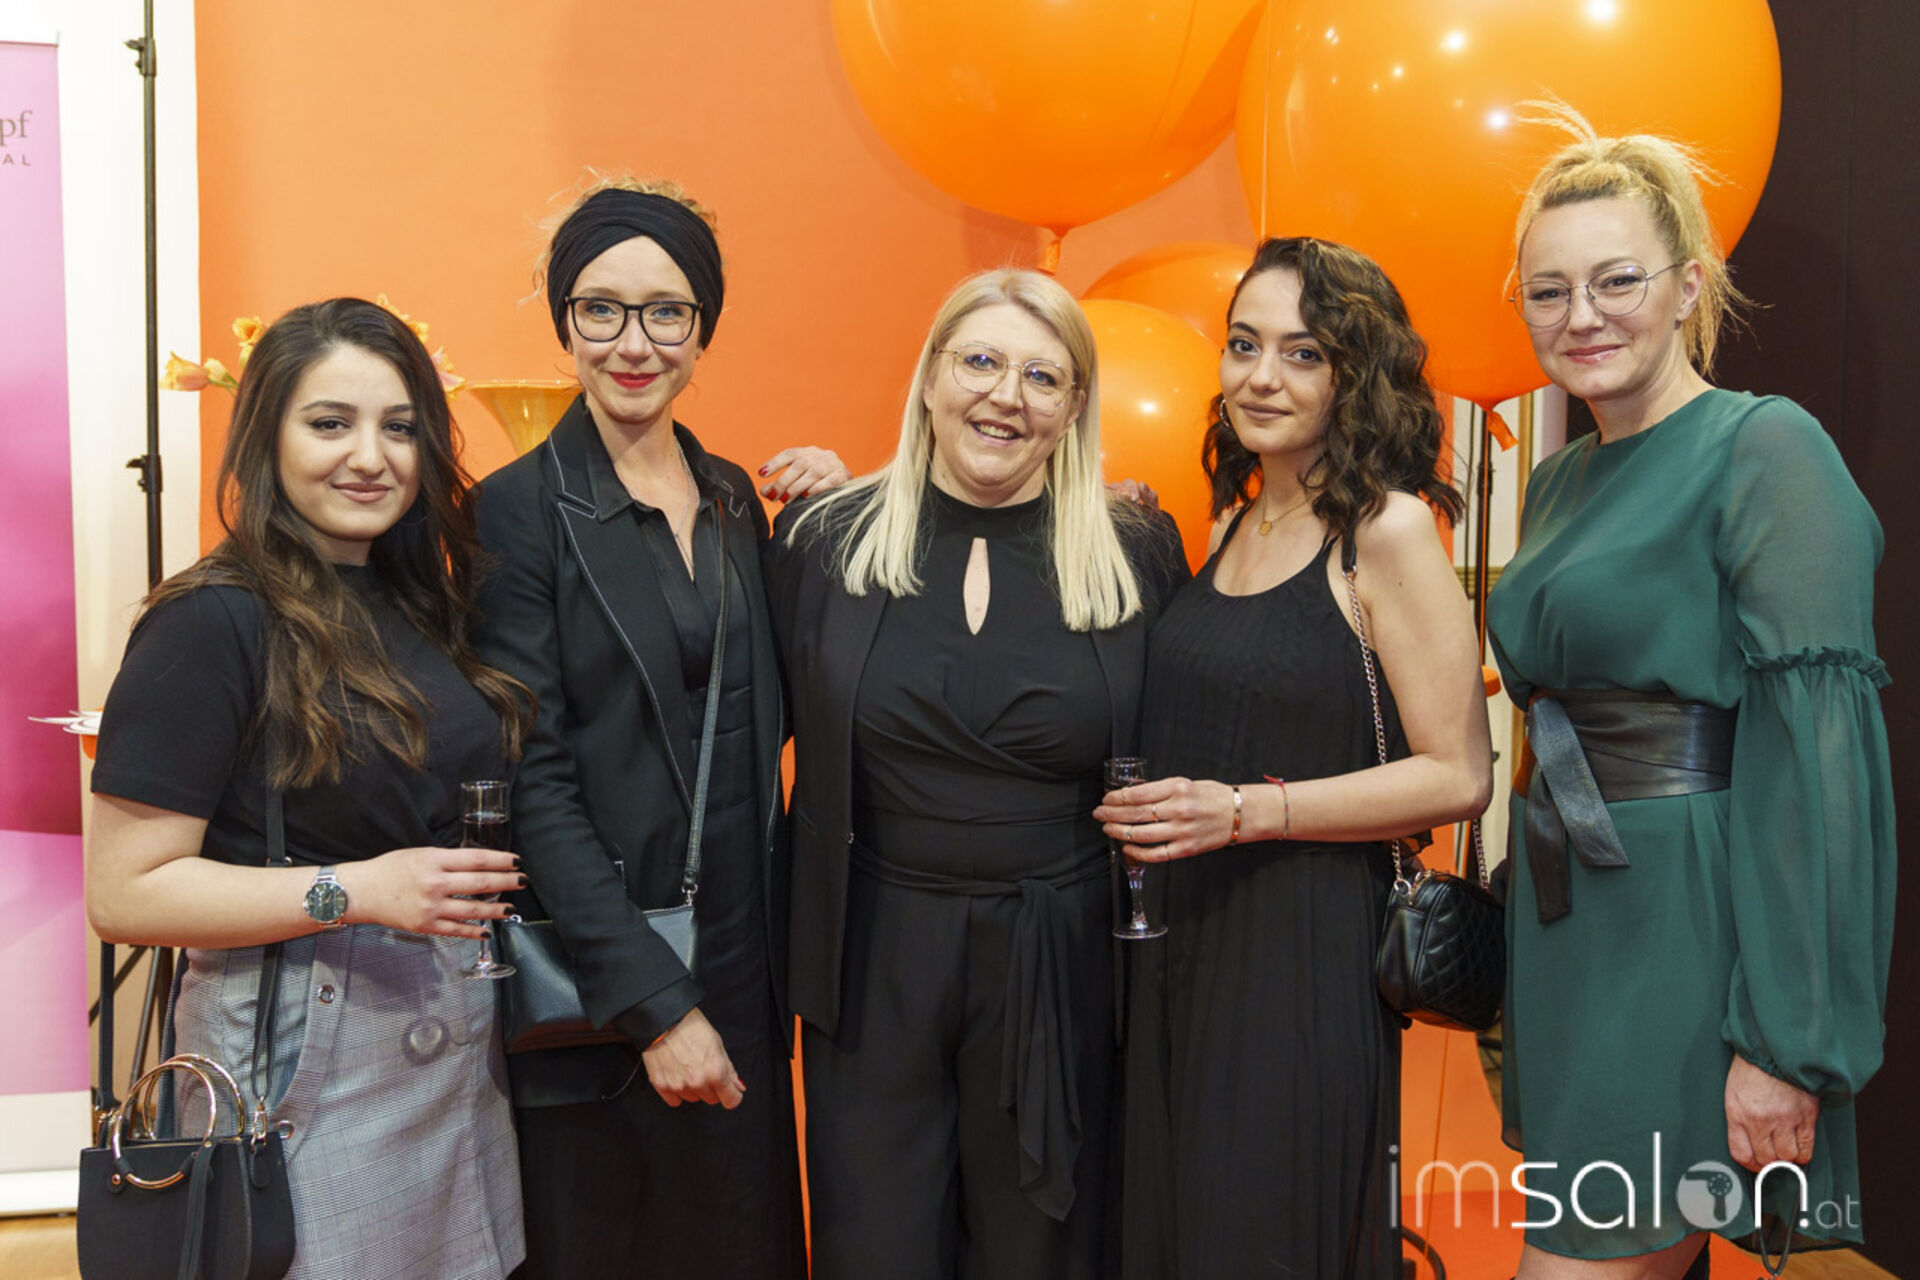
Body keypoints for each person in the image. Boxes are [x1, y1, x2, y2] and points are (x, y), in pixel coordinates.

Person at [1485, 110, 1895, 1278]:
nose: (1582, 314)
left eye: (1617, 279)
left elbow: (1819, 764)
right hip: (1577, 919)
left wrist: (1782, 1042)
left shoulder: (1766, 448)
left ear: (1689, 286)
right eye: (1549, 290)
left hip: (1689, 930)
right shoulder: (1559, 479)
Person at [86, 297, 533, 1279]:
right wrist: (358, 889)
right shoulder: (210, 622)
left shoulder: (418, 600)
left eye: (400, 427)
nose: (370, 456)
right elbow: (124, 892)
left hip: (452, 1047)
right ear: (267, 436)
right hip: (302, 1055)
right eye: (330, 423)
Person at [768, 267, 1190, 1279]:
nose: (1007, 395)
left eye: (1043, 376)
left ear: (1075, 406)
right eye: (982, 362)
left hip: (1061, 958)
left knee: (1041, 1251)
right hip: (870, 956)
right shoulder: (823, 538)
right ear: (929, 377)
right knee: (874, 1249)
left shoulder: (1135, 548)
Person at [1094, 236, 1494, 1278]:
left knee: (1265, 1233)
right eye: (1243, 344)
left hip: (1302, 954)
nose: (1260, 377)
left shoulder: (1387, 530)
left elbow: (1460, 773)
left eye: (1303, 353)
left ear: (1357, 375)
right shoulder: (1233, 519)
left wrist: (1246, 811)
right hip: (1180, 942)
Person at [469, 178, 842, 1279]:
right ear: (565, 322)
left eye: (666, 312)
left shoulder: (731, 496)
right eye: (602, 309)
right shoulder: (516, 509)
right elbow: (531, 779)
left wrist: (838, 510)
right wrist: (653, 1002)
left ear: (702, 328)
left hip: (743, 956)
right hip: (607, 979)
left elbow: (789, 699)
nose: (633, 344)